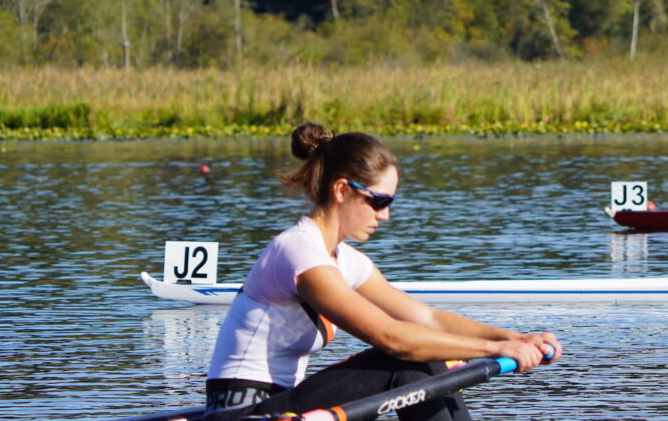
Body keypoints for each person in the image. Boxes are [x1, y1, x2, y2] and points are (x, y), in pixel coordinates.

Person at [205, 123, 560, 421]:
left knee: (422, 353)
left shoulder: (347, 261)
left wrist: (516, 338)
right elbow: (392, 338)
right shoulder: (298, 252)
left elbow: (427, 319)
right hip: (243, 413)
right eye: (379, 201)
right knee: (402, 358)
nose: (385, 215)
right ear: (342, 189)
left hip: (285, 406)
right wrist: (491, 348)